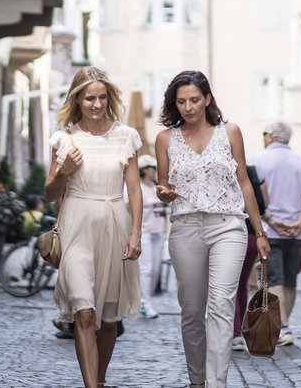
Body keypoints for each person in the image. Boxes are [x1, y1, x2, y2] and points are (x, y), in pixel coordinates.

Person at [155, 70, 268, 388]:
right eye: (181, 101)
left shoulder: (230, 131)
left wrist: (258, 232)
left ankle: (216, 382)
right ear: (173, 104)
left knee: (221, 304)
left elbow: (244, 183)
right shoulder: (166, 138)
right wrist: (163, 193)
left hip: (228, 226)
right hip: (186, 227)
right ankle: (197, 381)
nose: (188, 107)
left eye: (194, 99)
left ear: (207, 98)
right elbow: (163, 187)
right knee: (191, 309)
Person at [46, 66, 141, 388]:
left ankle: (98, 380)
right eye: (89, 98)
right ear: (77, 99)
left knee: (110, 321)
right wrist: (63, 171)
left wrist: (136, 232)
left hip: (115, 225)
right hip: (75, 228)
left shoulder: (126, 136)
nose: (97, 104)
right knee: (84, 313)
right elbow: (50, 193)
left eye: (102, 97)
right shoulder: (63, 138)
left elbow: (135, 189)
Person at [250, 119, 301, 346]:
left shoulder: (257, 160)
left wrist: (270, 218)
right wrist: (300, 222)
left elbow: (253, 197)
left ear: (269, 136)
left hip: (270, 230)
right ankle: (283, 327)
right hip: (297, 232)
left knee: (274, 279)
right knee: (290, 280)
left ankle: (283, 328)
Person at [232, 161, 268, 351]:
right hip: (252, 235)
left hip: (232, 232)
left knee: (228, 284)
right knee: (241, 285)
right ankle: (238, 331)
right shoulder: (253, 170)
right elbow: (264, 204)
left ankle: (235, 333)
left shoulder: (224, 165)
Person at [138, 154, 166, 318]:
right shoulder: (138, 188)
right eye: (151, 168)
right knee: (146, 269)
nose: (154, 171)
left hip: (159, 231)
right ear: (143, 170)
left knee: (155, 269)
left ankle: (146, 300)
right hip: (144, 231)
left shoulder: (157, 187)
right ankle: (144, 303)